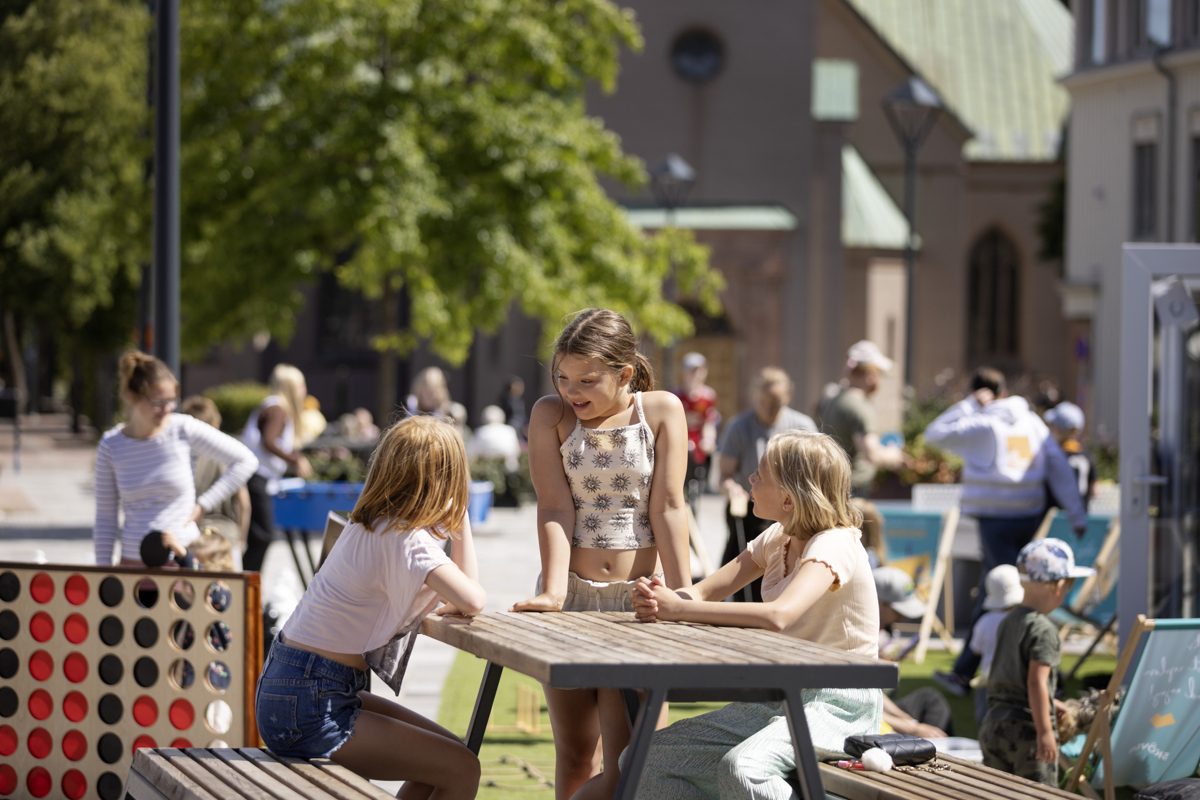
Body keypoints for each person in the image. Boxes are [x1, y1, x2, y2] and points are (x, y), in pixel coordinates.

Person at [627, 430, 882, 799]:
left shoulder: (835, 542)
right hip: (779, 694)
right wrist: (659, 599)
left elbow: (779, 614)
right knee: (642, 759)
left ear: (789, 498)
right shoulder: (779, 537)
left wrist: (678, 608)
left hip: (838, 704)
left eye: (760, 475)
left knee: (743, 768)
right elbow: (703, 592)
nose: (750, 479)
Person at [510, 308, 691, 800]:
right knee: (574, 755)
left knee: (634, 763)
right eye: (563, 377)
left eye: (587, 381)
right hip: (569, 600)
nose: (572, 391)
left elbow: (669, 506)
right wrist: (553, 592)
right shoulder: (550, 414)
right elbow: (554, 506)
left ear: (624, 374)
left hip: (640, 604)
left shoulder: (661, 410)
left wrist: (684, 597)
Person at [256, 415, 485, 798]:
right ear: (447, 480)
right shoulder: (406, 539)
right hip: (311, 702)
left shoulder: (370, 524)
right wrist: (460, 512)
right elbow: (472, 599)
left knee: (448, 756)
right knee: (462, 768)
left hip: (294, 687)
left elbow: (459, 593)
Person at [924, 367, 1088, 697]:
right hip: (1028, 514)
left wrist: (969, 405)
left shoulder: (983, 421)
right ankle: (985, 668)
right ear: (1005, 391)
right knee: (1009, 587)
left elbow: (934, 434)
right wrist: (1077, 512)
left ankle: (990, 669)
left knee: (1003, 589)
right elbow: (1057, 466)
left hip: (994, 518)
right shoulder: (1032, 421)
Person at [94, 352, 257, 567]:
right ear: (132, 397)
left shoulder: (182, 428)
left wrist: (203, 505)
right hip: (133, 564)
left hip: (185, 558)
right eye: (157, 402)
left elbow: (246, 460)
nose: (167, 409)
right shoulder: (111, 444)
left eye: (171, 400)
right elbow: (105, 519)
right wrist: (103, 572)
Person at [979, 538, 1093, 786]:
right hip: (1026, 733)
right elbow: (1035, 682)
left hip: (993, 724)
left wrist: (1051, 701)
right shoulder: (1044, 630)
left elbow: (1010, 676)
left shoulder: (1008, 620)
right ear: (1058, 586)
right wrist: (1045, 732)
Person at [717, 367, 815, 601]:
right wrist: (732, 489)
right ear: (754, 397)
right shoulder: (739, 427)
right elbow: (724, 476)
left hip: (791, 512)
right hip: (752, 510)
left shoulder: (803, 426)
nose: (768, 409)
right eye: (763, 402)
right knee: (743, 571)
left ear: (788, 397)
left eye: (775, 403)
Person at [241, 364, 314, 572]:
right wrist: (295, 459)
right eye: (301, 385)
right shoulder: (277, 409)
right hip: (257, 476)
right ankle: (248, 584)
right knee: (262, 536)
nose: (304, 391)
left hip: (256, 476)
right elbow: (269, 441)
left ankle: (248, 582)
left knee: (258, 536)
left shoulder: (273, 406)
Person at [818, 340, 908, 497]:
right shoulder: (860, 406)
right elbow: (872, 454)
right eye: (880, 374)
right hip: (852, 490)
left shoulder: (835, 399)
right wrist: (895, 455)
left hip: (833, 484)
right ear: (869, 376)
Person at [873, 566, 952, 738]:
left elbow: (873, 693)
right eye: (898, 611)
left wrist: (906, 719)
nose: (904, 617)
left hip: (878, 708)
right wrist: (911, 727)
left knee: (930, 699)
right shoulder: (853, 636)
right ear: (877, 602)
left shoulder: (881, 633)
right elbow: (860, 704)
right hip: (864, 717)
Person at [180, 395, 252, 567]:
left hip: (194, 539)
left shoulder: (183, 457)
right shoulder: (227, 457)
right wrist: (242, 541)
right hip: (225, 537)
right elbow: (244, 504)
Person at [969, 564, 1025, 726]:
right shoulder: (1024, 620)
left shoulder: (985, 621)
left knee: (985, 720)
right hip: (1016, 681)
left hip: (988, 681)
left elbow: (976, 650)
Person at [671, 352, 719, 494]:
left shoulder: (708, 396)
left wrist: (709, 439)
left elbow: (709, 422)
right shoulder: (675, 396)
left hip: (698, 443)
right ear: (683, 372)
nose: (696, 375)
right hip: (680, 442)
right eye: (691, 371)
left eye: (699, 370)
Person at [1043, 401, 1096, 510]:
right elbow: (1094, 491)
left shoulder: (1053, 456)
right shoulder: (1087, 456)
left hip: (1054, 516)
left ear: (1057, 428)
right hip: (1080, 515)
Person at [407, 366, 468, 432]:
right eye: (426, 393)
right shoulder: (409, 409)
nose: (429, 397)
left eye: (432, 393)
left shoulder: (450, 414)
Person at [469, 405, 522, 471]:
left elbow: (472, 454)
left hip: (486, 470)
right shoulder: (510, 430)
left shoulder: (481, 432)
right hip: (509, 470)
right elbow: (517, 452)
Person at [498, 375, 529, 440]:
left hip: (520, 429)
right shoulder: (506, 400)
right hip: (510, 428)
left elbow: (522, 415)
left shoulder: (519, 401)